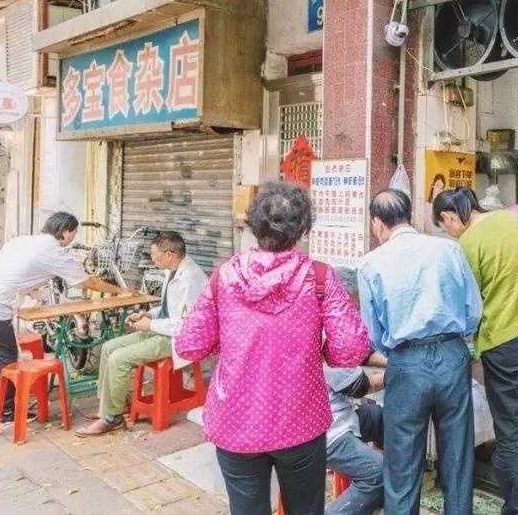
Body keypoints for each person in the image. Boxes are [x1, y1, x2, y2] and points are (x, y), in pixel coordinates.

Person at [175, 181, 371, 515]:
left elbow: (190, 344)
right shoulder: (320, 277)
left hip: (236, 421)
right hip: (300, 420)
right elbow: (351, 349)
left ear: (253, 225)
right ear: (302, 229)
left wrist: (229, 342)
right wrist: (322, 350)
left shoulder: (223, 276)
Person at [433, 187, 518, 515]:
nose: (448, 231)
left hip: (505, 344)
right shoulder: (514, 218)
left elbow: (465, 307)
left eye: (445, 225)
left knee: (510, 434)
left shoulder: (467, 245)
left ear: (449, 217)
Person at [358, 189, 482, 515]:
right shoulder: (449, 249)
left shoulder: (371, 264)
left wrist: (399, 351)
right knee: (457, 458)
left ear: (377, 223)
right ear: (410, 215)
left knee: (402, 463)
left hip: (406, 361)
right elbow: (473, 310)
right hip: (453, 356)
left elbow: (373, 334)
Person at [0, 212, 128, 426]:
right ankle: (7, 414)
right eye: (73, 233)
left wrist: (36, 292)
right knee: (7, 360)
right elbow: (88, 281)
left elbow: (15, 272)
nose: (72, 238)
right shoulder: (55, 252)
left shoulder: (23, 240)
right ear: (65, 233)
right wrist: (120, 292)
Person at [76, 231, 207, 436]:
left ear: (170, 254)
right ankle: (108, 407)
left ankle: (113, 418)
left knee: (119, 359)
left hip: (179, 339)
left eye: (155, 255)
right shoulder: (172, 271)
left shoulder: (191, 279)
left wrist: (150, 325)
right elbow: (168, 310)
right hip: (163, 329)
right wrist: (147, 314)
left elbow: (186, 325)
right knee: (108, 347)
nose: (152, 259)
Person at [324, 358, 387, 515]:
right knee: (378, 473)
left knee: (382, 417)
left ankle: (386, 501)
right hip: (328, 432)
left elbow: (364, 352)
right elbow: (362, 386)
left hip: (342, 415)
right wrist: (399, 369)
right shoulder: (329, 352)